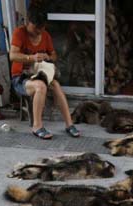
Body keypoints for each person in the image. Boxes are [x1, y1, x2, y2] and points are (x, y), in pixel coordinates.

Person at [9, 7, 80, 140]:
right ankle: (37, 126)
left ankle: (69, 124)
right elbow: (12, 56)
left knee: (56, 86)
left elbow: (54, 56)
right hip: (20, 78)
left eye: (41, 28)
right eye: (36, 28)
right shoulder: (19, 33)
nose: (39, 32)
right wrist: (31, 58)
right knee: (40, 86)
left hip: (39, 73)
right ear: (28, 22)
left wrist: (47, 57)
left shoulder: (45, 35)